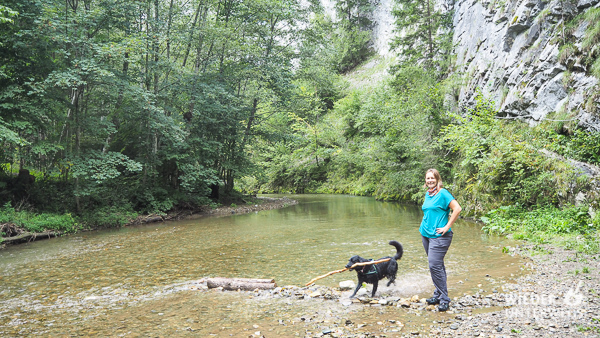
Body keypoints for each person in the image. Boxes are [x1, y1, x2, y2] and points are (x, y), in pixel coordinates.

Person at [420, 168, 462, 312]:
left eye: (432, 178)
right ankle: (437, 295)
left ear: (437, 179)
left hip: (440, 236)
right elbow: (429, 212)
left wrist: (447, 226)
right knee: (437, 265)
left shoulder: (443, 193)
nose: (430, 180)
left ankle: (444, 299)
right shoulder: (428, 194)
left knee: (434, 266)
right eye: (428, 178)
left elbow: (457, 209)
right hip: (426, 234)